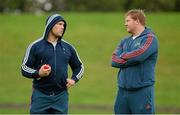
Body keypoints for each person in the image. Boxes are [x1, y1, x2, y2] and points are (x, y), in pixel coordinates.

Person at [21, 14, 84, 114]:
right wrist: (39, 73)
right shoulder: (35, 46)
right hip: (40, 95)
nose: (62, 27)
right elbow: (24, 68)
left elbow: (79, 67)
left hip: (61, 96)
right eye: (59, 24)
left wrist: (74, 79)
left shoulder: (68, 48)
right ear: (50, 25)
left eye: (63, 25)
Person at [111, 9, 158, 114]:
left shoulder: (150, 38)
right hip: (122, 91)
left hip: (142, 91)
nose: (125, 24)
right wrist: (130, 59)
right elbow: (114, 60)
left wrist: (122, 56)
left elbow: (140, 55)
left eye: (127, 21)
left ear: (137, 21)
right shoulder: (124, 41)